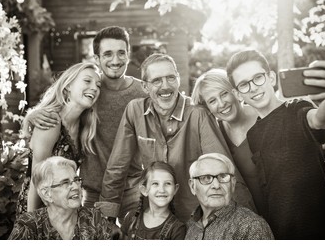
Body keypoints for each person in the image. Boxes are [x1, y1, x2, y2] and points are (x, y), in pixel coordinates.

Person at [98, 53, 254, 222]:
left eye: (171, 78)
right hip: (155, 214)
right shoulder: (135, 111)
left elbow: (224, 169)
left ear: (178, 79)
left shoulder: (197, 114)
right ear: (144, 86)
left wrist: (247, 221)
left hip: (195, 217)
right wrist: (108, 215)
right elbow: (117, 167)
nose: (165, 86)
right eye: (157, 80)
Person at [24, 26, 148, 221]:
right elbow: (61, 106)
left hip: (132, 188)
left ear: (128, 55)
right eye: (107, 54)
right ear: (97, 59)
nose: (115, 60)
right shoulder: (90, 92)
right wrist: (31, 116)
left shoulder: (143, 92)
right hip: (91, 193)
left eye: (121, 53)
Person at [226, 49, 325, 239]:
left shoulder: (297, 109)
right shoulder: (253, 134)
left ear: (271, 78)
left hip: (319, 232)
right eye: (244, 84)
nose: (253, 87)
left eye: (258, 78)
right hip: (280, 235)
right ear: (238, 94)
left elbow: (318, 120)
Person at [17, 62, 101, 214]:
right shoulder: (51, 122)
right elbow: (36, 182)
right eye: (87, 81)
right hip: (39, 210)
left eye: (98, 85)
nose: (94, 88)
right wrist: (33, 225)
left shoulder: (84, 128)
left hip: (63, 211)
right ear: (68, 86)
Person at [191, 69, 263, 214]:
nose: (221, 103)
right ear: (207, 108)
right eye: (212, 101)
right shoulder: (215, 136)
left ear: (235, 92)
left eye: (224, 93)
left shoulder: (264, 118)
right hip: (247, 217)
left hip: (284, 209)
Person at [9, 156, 119, 240]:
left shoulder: (94, 219)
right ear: (47, 194)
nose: (76, 187)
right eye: (65, 183)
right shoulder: (29, 225)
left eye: (76, 180)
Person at [185, 153, 274, 240]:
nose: (216, 185)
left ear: (233, 184)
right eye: (206, 178)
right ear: (193, 186)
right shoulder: (190, 225)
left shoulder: (252, 226)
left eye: (223, 177)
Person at [121, 161, 186, 240]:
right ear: (144, 190)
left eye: (168, 183)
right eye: (155, 183)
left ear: (175, 189)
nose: (162, 190)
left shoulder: (177, 229)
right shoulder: (131, 218)